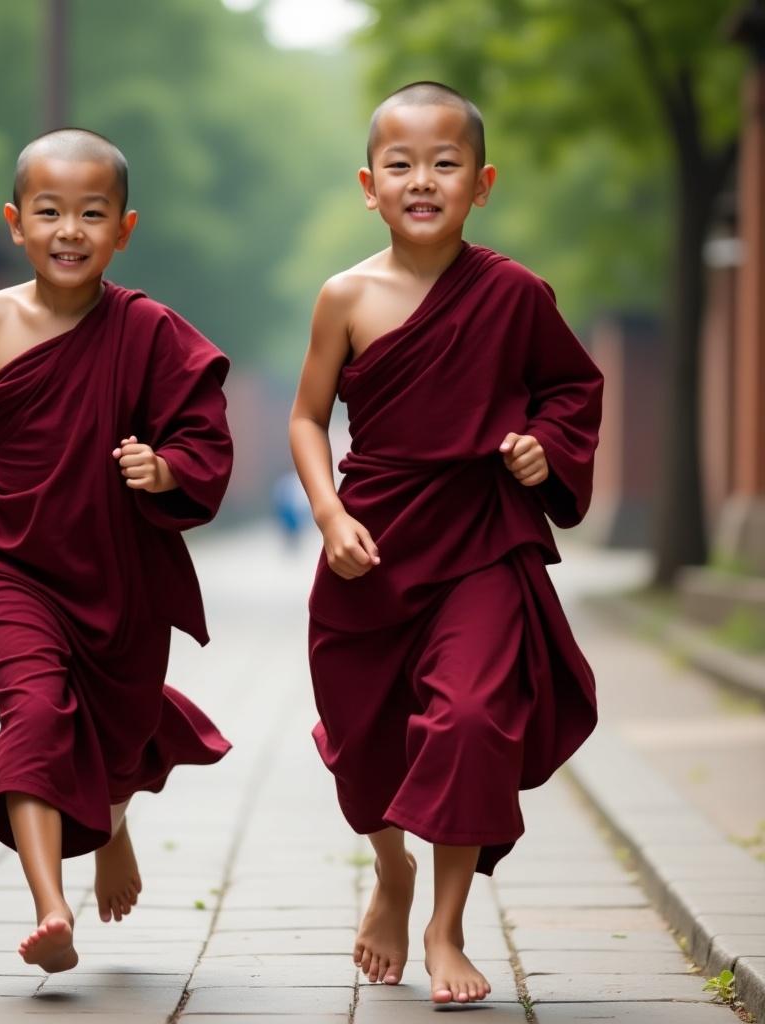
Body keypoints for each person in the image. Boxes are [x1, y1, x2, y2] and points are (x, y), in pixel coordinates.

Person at [0, 128, 233, 974]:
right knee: (36, 717)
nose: (70, 230)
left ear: (124, 229)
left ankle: (111, 821)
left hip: (117, 574)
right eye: (50, 212)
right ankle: (49, 906)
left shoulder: (147, 329)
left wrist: (165, 467)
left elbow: (203, 435)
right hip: (10, 568)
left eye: (92, 214)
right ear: (15, 222)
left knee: (112, 728)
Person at [289, 81, 603, 1004]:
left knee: (469, 721)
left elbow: (572, 392)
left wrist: (544, 452)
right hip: (372, 543)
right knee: (367, 733)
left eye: (445, 162)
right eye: (401, 164)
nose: (422, 179)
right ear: (368, 184)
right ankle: (392, 871)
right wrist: (329, 515)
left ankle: (447, 921)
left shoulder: (515, 294)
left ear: (482, 182)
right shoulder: (345, 297)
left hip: (481, 539)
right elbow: (309, 421)